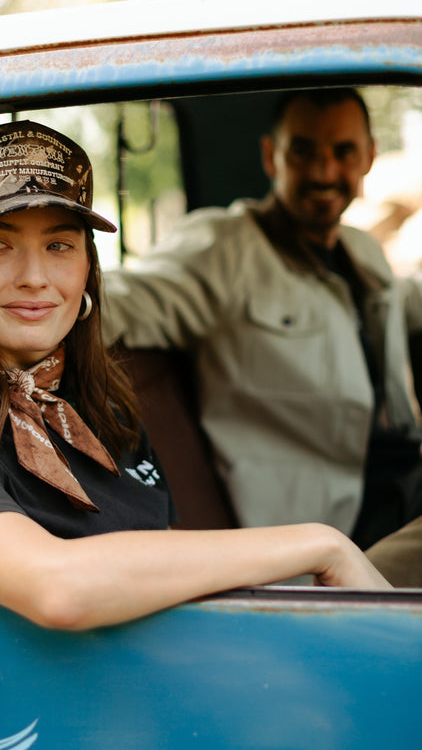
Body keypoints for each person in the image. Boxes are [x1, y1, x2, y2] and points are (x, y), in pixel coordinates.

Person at [0, 119, 388, 630]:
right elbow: (59, 589)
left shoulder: (102, 411)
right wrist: (321, 546)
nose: (34, 277)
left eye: (59, 246)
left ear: (87, 274)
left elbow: (169, 552)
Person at [102, 88, 422, 551]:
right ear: (271, 157)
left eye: (344, 151)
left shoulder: (361, 251)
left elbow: (404, 301)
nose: (324, 171)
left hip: (399, 485)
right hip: (330, 536)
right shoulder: (223, 250)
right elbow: (125, 297)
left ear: (369, 157)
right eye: (304, 151)